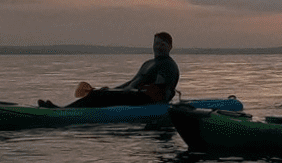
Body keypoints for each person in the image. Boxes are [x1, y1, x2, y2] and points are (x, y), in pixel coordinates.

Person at [39, 32, 180, 108]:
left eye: (163, 44)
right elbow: (132, 82)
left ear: (170, 47)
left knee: (98, 96)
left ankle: (62, 112)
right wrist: (112, 89)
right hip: (131, 95)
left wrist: (114, 93)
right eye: (156, 43)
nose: (159, 47)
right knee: (99, 93)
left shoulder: (168, 65)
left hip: (144, 101)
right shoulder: (148, 63)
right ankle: (64, 109)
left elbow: (160, 91)